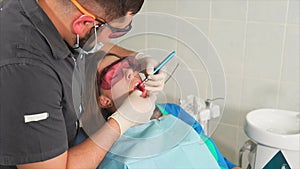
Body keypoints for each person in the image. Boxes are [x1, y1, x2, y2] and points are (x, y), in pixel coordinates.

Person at [0, 0, 166, 168]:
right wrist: (121, 121)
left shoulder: (49, 12)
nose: (107, 41)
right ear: (83, 23)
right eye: (114, 33)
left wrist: (137, 57)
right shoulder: (29, 72)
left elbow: (96, 45)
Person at [91, 53, 241, 169]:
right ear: (104, 101)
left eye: (127, 64)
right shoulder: (98, 146)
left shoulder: (173, 112)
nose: (129, 72)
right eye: (113, 74)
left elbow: (219, 161)